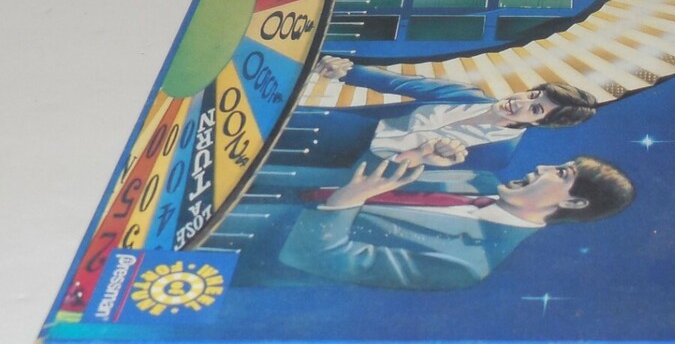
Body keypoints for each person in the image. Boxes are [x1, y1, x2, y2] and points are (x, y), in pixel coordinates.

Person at [219, 143, 634, 291]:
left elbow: (323, 259)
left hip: (248, 236)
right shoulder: (477, 178)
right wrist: (414, 155)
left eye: (561, 174)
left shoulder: (467, 264)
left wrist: (345, 203)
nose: (542, 167)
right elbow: (363, 170)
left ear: (574, 204)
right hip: (260, 174)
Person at [275, 56, 597, 171]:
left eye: (535, 108)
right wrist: (347, 71)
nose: (521, 102)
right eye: (532, 95)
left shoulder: (498, 154)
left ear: (540, 123)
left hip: (362, 164)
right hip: (350, 127)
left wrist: (425, 160)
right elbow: (399, 82)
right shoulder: (468, 95)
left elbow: (422, 180)